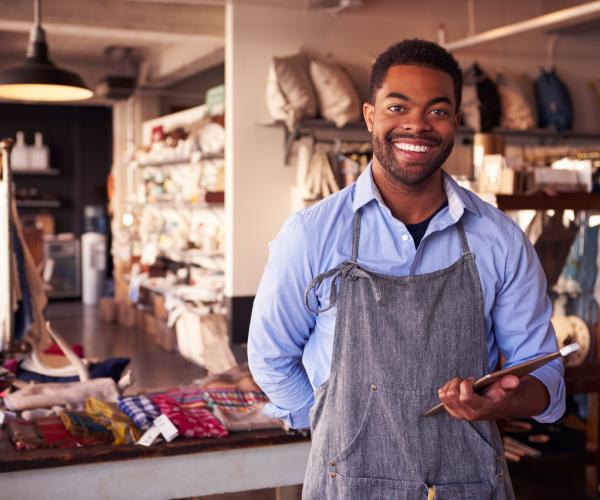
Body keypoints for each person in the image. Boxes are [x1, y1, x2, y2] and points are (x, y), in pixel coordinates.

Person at [248, 39, 565, 499]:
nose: (417, 124)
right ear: (370, 115)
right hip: (348, 486)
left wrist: (504, 402)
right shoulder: (311, 235)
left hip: (469, 483)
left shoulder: (500, 240)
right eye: (398, 106)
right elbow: (270, 356)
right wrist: (331, 424)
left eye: (437, 111)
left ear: (457, 122)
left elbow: (547, 381)